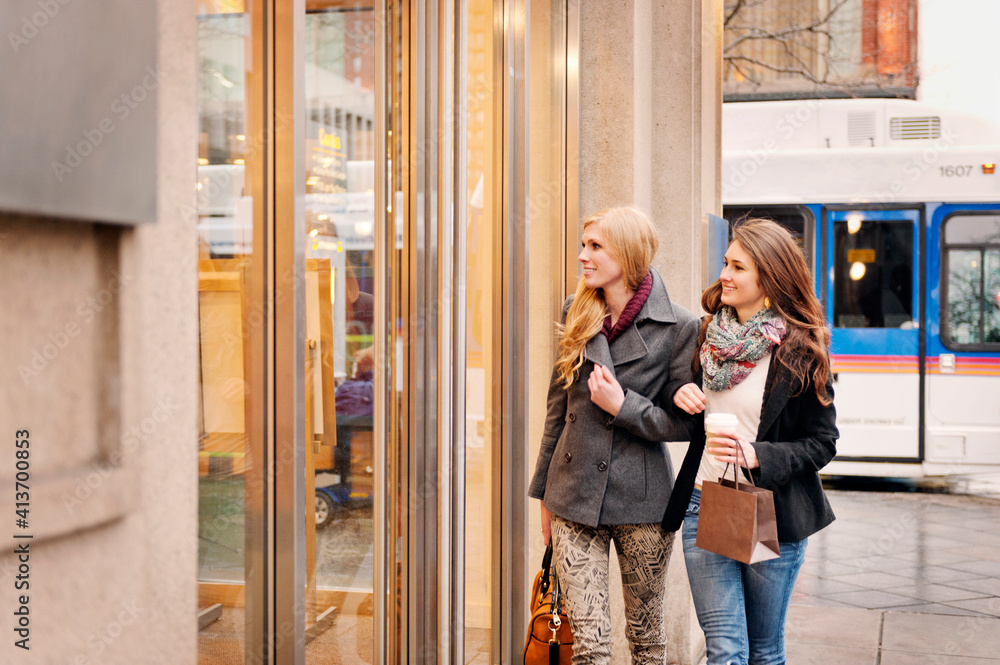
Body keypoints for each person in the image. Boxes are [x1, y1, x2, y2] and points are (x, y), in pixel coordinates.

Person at [528, 206, 701, 664]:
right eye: (583, 245)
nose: (583, 255)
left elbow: (684, 425)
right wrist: (545, 494)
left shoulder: (680, 326)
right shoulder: (576, 309)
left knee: (645, 638)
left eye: (595, 246)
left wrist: (624, 407)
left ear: (626, 254)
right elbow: (557, 409)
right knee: (589, 641)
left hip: (642, 502)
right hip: (572, 496)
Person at [662, 218, 839, 665]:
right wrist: (676, 393)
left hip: (767, 509)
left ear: (769, 278)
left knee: (763, 651)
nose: (724, 274)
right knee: (725, 649)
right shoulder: (707, 336)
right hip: (706, 501)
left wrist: (758, 455)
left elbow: (823, 441)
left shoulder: (800, 349)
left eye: (738, 267)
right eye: (725, 263)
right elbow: (677, 391)